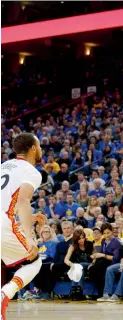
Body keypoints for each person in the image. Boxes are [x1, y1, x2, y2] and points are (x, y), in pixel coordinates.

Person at [1, 133, 45, 320]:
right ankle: (5, 294)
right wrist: (28, 236)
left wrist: (27, 218)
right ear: (33, 149)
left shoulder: (4, 166)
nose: (41, 149)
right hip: (3, 222)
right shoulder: (32, 171)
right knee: (34, 259)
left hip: (4, 219)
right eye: (40, 145)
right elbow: (23, 200)